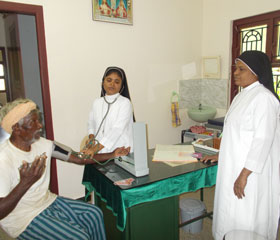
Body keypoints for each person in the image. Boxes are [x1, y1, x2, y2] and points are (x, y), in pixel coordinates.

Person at [0, 98, 130, 239]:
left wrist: (113, 154)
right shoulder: (4, 158)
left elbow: (78, 157)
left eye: (39, 120)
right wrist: (25, 183)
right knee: (79, 237)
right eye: (33, 122)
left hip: (46, 201)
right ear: (16, 128)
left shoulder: (45, 144)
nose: (40, 126)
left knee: (94, 214)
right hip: (21, 219)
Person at [202, 51, 280, 240]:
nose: (235, 73)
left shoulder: (264, 98)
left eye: (241, 69)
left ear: (256, 72)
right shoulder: (241, 95)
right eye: (235, 68)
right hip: (234, 166)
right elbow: (235, 134)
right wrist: (221, 154)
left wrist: (244, 175)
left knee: (247, 213)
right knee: (229, 210)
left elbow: (262, 140)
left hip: (251, 172)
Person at [85, 66, 134, 157]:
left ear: (122, 86)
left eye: (117, 82)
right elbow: (91, 123)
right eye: (109, 80)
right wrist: (91, 139)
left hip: (121, 152)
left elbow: (117, 130)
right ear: (103, 83)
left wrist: (94, 149)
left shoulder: (125, 103)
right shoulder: (97, 102)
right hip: (100, 152)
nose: (112, 84)